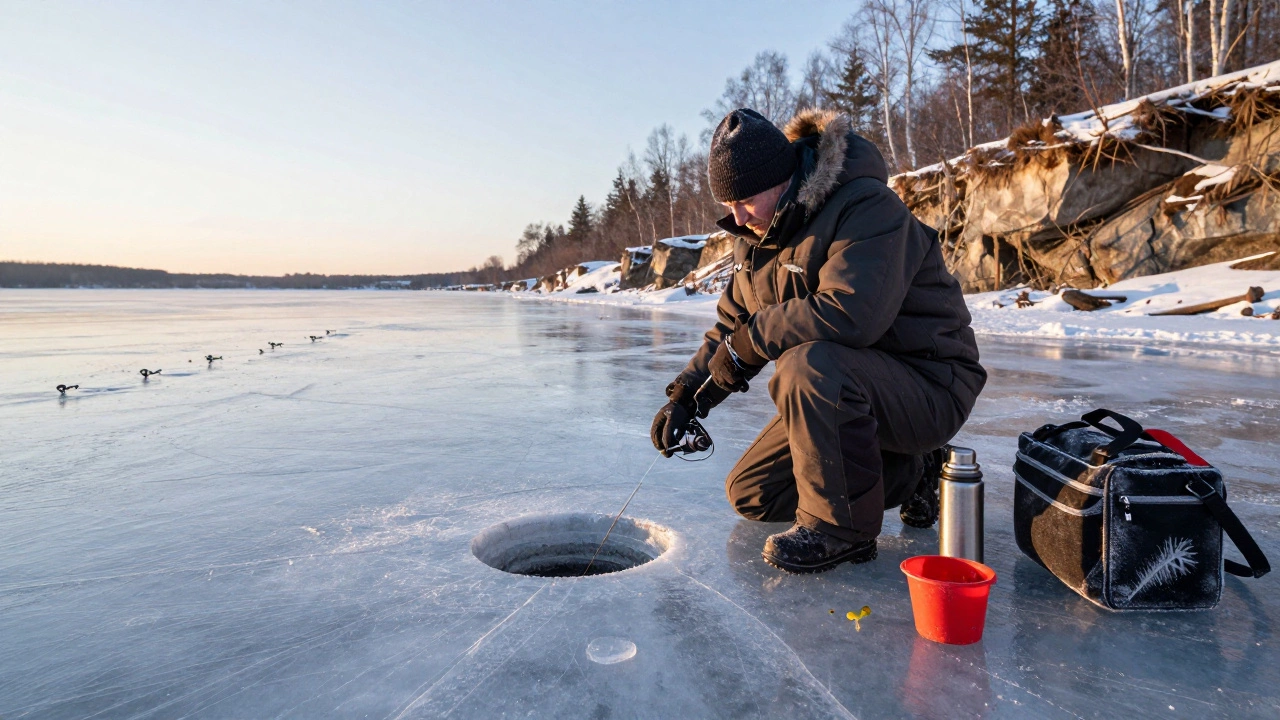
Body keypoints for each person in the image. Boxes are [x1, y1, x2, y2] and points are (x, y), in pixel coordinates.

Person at [650, 108, 986, 574]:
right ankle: (916, 473)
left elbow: (851, 314)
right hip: (850, 389)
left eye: (745, 200)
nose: (736, 217)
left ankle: (841, 530)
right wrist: (688, 395)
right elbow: (732, 325)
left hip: (929, 385)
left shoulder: (866, 207)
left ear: (781, 178)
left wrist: (752, 342)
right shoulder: (756, 236)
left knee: (806, 365)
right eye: (728, 203)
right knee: (753, 493)